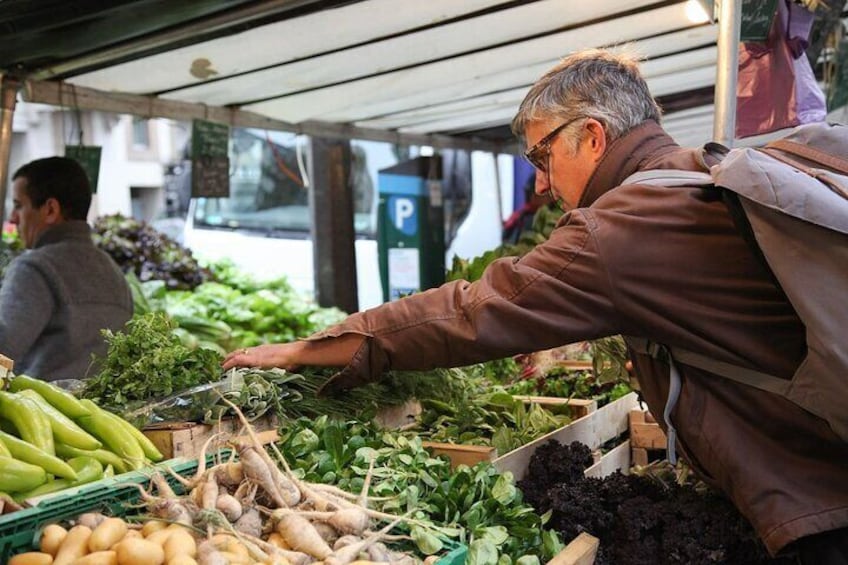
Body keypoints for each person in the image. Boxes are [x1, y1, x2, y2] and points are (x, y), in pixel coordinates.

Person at [223, 49, 848, 561]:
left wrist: (329, 346)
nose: (541, 183)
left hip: (817, 505)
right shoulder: (693, 174)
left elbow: (478, 309)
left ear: (593, 136)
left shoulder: (625, 222)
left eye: (541, 156)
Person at [0, 157, 133, 381]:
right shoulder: (114, 273)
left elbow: (3, 346)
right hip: (105, 413)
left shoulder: (34, 268)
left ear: (50, 209)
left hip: (45, 413)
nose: (13, 217)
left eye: (19, 205)